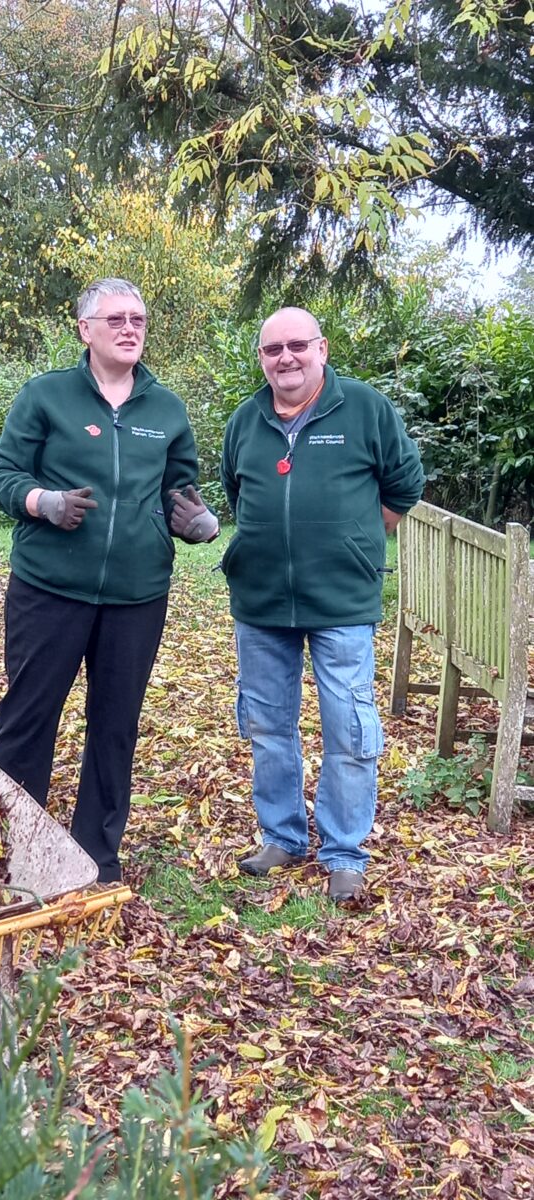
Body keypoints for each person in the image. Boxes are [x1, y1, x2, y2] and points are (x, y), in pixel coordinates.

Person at [0, 278, 219, 883]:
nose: (129, 328)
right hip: (49, 589)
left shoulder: (165, 409)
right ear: (85, 329)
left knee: (116, 726)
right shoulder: (46, 396)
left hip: (137, 595)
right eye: (114, 318)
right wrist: (42, 501)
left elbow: (180, 486)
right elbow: (1, 476)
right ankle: (9, 846)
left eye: (137, 318)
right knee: (28, 719)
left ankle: (96, 856)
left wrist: (196, 521)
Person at [220, 306, 424, 902]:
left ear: (322, 349)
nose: (285, 358)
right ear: (262, 358)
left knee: (349, 727)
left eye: (297, 346)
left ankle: (343, 853)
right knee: (267, 726)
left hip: (341, 601)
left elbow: (404, 486)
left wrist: (357, 540)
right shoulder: (246, 419)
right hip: (260, 602)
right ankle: (282, 836)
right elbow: (237, 491)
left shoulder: (363, 408)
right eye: (272, 349)